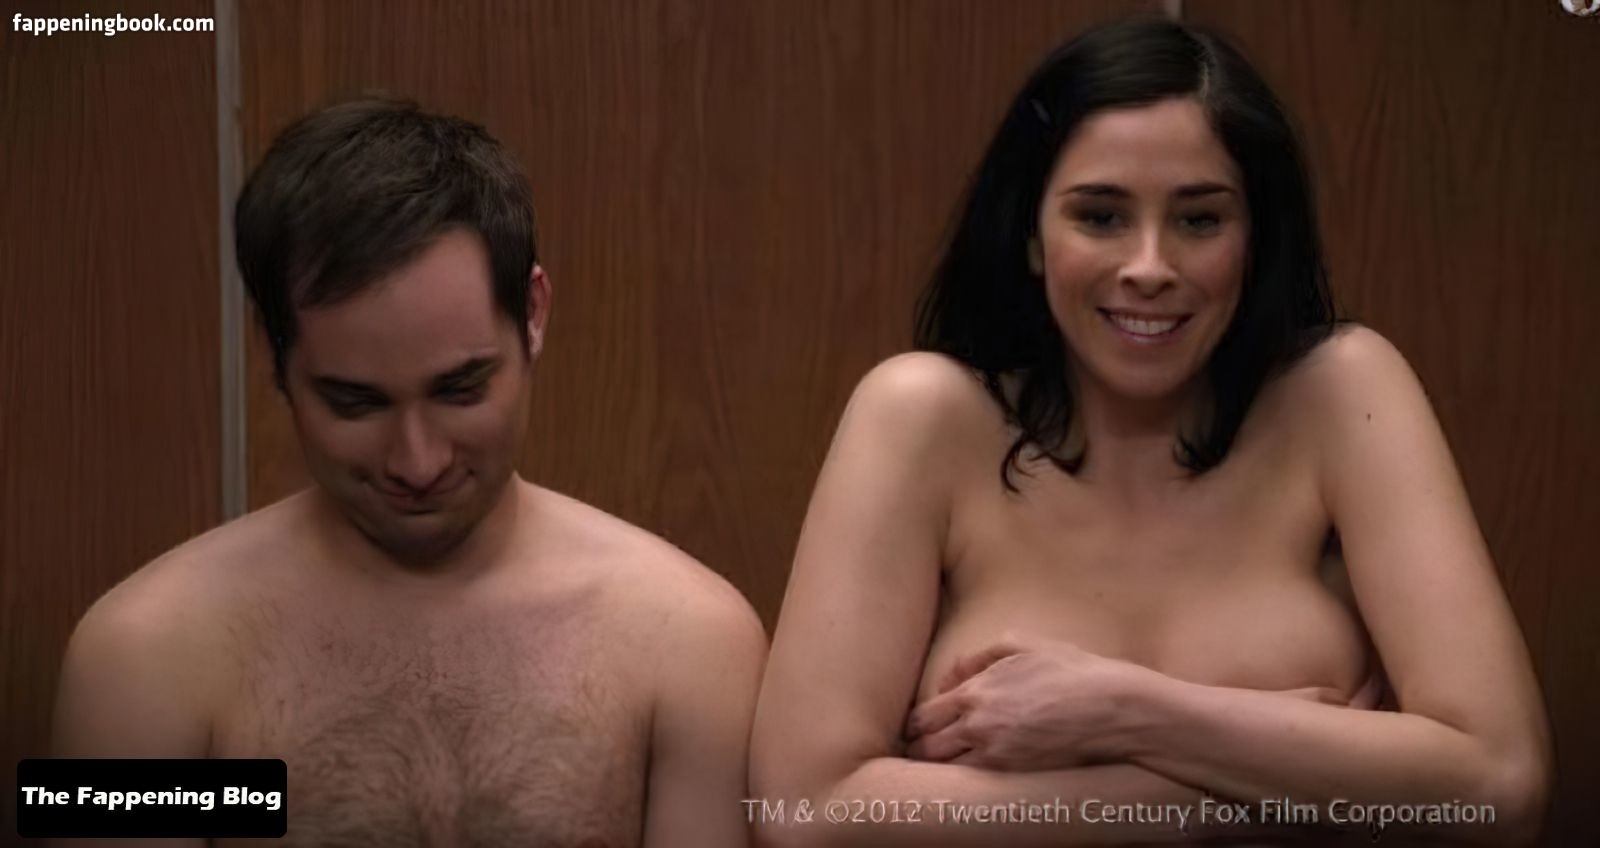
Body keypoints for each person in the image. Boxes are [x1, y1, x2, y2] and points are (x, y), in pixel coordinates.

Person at [751, 17, 1550, 847]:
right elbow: (802, 811)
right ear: (1031, 235)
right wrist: (1257, 784)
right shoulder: (923, 416)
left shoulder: (1343, 393)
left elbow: (1500, 785)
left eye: (1199, 221)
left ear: (1254, 238)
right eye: (1100, 216)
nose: (1149, 267)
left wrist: (1125, 710)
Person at [51, 97, 766, 847]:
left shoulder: (688, 646)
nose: (418, 463)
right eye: (355, 403)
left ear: (532, 313)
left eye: (460, 390)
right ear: (278, 354)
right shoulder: (144, 659)